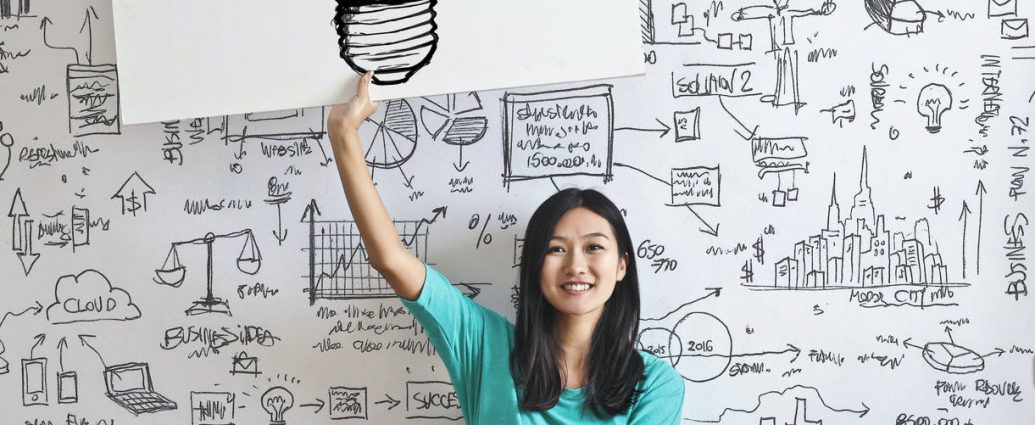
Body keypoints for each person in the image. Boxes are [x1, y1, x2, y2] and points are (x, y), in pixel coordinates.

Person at [327, 71, 684, 424]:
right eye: (556, 249)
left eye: (593, 247)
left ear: (622, 265)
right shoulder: (484, 345)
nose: (576, 265)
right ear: (535, 265)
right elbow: (390, 260)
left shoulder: (655, 386)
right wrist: (344, 133)